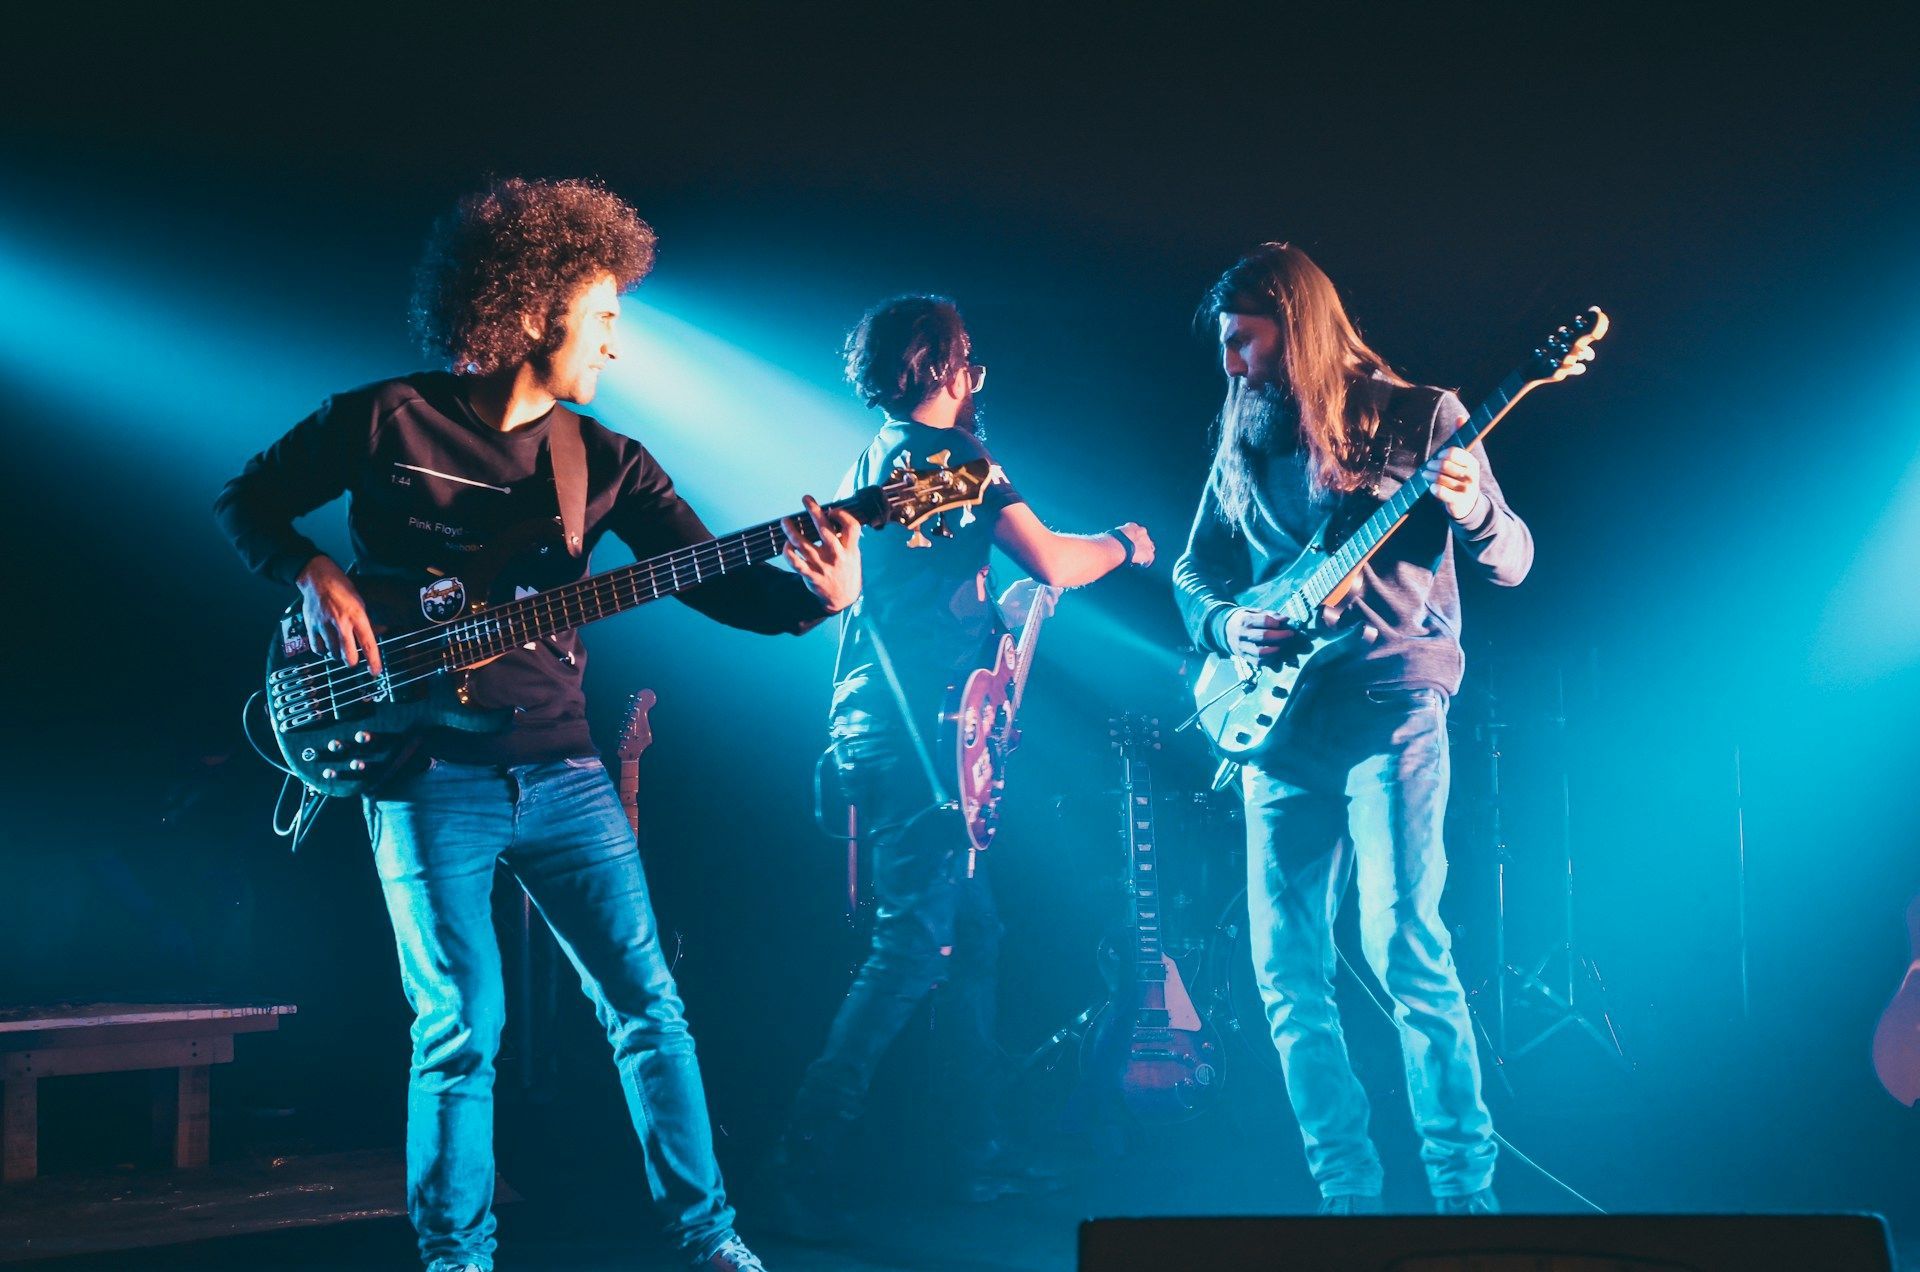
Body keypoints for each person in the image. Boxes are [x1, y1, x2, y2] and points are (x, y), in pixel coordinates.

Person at [215, 177, 862, 1272]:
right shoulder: (383, 418)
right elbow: (247, 503)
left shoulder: (604, 461)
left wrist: (820, 599)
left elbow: (717, 581)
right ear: (529, 312)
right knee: (460, 1033)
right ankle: (459, 1261)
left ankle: (711, 1241)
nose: (614, 345)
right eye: (602, 319)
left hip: (564, 771)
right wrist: (317, 568)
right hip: (421, 771)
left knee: (651, 1010)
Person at [758, 294, 1154, 1237]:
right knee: (908, 950)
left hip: (886, 728)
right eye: (968, 357)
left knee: (971, 940)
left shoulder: (874, 461)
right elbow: (1054, 561)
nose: (978, 375)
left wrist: (995, 616)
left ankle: (972, 1159)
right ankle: (793, 1170)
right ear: (940, 364)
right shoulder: (953, 459)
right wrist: (1126, 546)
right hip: (918, 738)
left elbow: (934, 598)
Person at [1172, 242, 1532, 1215]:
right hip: (1276, 730)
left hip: (1390, 713)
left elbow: (1516, 560)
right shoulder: (1243, 430)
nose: (1232, 365)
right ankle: (1349, 1207)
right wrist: (1226, 622)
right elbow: (1193, 573)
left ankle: (1467, 1208)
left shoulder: (1423, 417)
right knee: (1287, 974)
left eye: (1244, 343)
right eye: (1226, 347)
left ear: (1299, 325)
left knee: (1403, 943)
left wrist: (1475, 510)